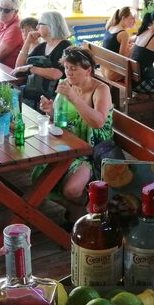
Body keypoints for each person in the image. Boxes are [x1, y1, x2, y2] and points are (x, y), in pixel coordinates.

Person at [38, 48, 114, 222]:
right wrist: (50, 110)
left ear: (88, 70)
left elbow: (98, 122)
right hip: (69, 145)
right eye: (66, 68)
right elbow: (61, 118)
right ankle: (80, 214)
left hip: (94, 152)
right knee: (42, 178)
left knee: (71, 190)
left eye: (74, 68)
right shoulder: (67, 84)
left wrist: (74, 97)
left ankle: (91, 209)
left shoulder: (101, 89)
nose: (69, 73)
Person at [14, 11, 72, 108]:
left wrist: (31, 68)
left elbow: (56, 74)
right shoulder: (42, 46)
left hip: (52, 99)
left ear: (50, 27)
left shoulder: (65, 46)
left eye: (40, 24)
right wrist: (27, 42)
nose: (37, 27)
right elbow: (19, 67)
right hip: (33, 94)